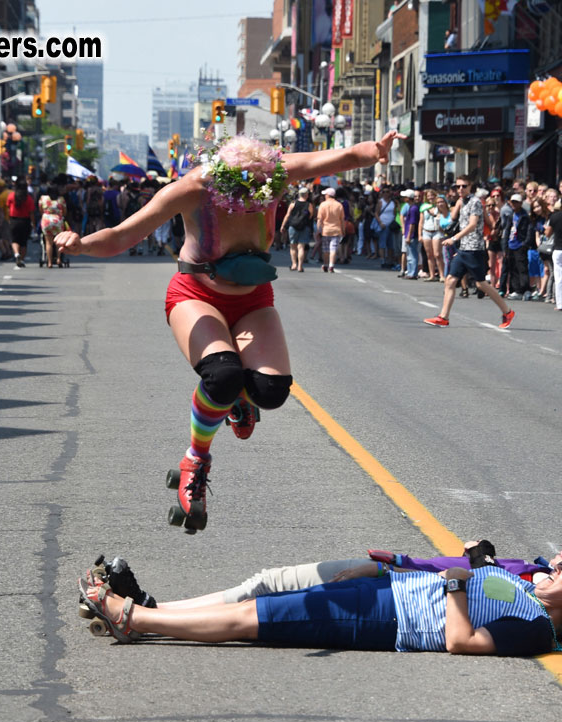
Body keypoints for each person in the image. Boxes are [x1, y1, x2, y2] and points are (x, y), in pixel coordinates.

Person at [54, 132, 402, 533]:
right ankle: (195, 459)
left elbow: (336, 157)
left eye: (265, 190)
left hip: (252, 299)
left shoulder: (273, 173)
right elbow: (123, 235)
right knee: (222, 376)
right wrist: (81, 245)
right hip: (195, 293)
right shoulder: (195, 187)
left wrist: (374, 151)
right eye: (249, 191)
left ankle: (241, 400)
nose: (260, 196)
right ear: (224, 182)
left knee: (271, 392)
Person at [80, 540, 562, 654]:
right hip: (391, 592)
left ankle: (134, 618)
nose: (557, 562)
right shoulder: (528, 589)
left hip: (390, 621)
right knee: (257, 605)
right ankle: (147, 613)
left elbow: (462, 641)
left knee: (253, 617)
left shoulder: (536, 630)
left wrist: (458, 576)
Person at [422, 179, 516, 329]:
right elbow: (451, 219)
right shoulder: (461, 201)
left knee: (481, 284)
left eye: (464, 186)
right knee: (450, 280)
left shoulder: (475, 202)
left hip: (474, 248)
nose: (460, 189)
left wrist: (454, 238)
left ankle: (507, 311)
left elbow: (472, 225)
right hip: (463, 248)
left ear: (470, 187)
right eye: (457, 186)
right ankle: (443, 317)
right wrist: (440, 209)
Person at [280, 187, 313, 272]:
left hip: (293, 226)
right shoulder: (309, 205)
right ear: (306, 195)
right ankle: (300, 266)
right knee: (301, 247)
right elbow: (311, 215)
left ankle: (294, 264)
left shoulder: (293, 204)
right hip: (304, 226)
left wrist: (283, 225)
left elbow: (287, 215)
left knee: (293, 246)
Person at [316, 187, 345, 273]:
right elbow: (342, 220)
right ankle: (331, 265)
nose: (325, 196)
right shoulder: (339, 205)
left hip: (326, 230)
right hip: (336, 230)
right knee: (333, 249)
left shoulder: (323, 205)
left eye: (325, 194)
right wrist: (343, 230)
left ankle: (325, 264)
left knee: (325, 249)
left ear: (328, 195)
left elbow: (319, 219)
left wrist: (318, 230)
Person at [6, 180, 34, 269]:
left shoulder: (11, 196)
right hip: (25, 221)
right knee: (23, 242)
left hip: (14, 220)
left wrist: (8, 219)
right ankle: (21, 259)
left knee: (14, 240)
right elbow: (31, 212)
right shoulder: (29, 198)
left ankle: (16, 254)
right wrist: (33, 223)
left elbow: (7, 208)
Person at [38, 185, 67, 268]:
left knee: (48, 242)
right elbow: (65, 211)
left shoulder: (43, 198)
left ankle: (49, 262)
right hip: (58, 221)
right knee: (58, 242)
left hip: (46, 220)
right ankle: (58, 259)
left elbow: (40, 210)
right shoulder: (61, 199)